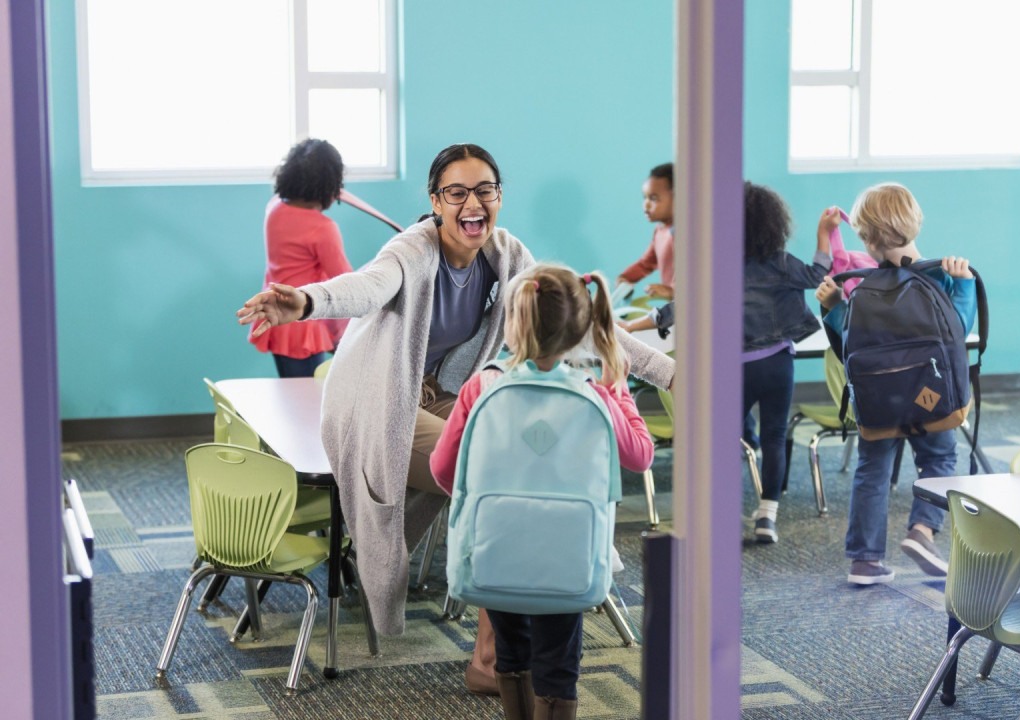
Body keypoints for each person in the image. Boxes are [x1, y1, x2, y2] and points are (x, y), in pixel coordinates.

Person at [235, 143, 675, 646]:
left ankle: (562, 579)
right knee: (499, 468)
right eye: (457, 192)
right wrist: (307, 300)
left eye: (485, 190)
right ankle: (494, 652)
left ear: (500, 196)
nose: (473, 203)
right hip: (374, 400)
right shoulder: (411, 251)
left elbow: (578, 319)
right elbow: (365, 288)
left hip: (432, 392)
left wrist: (672, 376)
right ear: (436, 200)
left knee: (520, 447)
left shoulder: (508, 256)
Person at [429, 264, 653, 720]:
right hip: (568, 555)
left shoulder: (481, 385)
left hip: (497, 548)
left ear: (513, 320)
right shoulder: (595, 391)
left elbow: (442, 471)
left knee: (511, 654)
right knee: (558, 663)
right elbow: (640, 456)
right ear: (580, 325)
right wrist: (618, 387)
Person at [618, 182, 831, 543]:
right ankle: (767, 516)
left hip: (737, 370)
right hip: (779, 364)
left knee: (724, 439)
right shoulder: (781, 263)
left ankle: (714, 514)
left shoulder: (717, 270)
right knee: (775, 436)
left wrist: (630, 326)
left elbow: (676, 310)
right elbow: (817, 274)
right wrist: (824, 234)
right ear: (771, 224)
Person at [813, 182, 975, 586]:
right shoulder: (938, 277)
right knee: (938, 460)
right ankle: (922, 531)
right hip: (932, 398)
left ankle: (865, 560)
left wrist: (833, 308)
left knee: (872, 469)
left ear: (865, 237)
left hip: (880, 403)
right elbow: (957, 332)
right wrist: (965, 285)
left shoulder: (863, 289)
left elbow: (847, 346)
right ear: (915, 222)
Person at [250, 138, 354, 377]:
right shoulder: (322, 229)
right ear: (331, 185)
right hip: (302, 321)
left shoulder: (274, 208)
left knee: (293, 392)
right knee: (307, 396)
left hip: (277, 316)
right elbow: (346, 282)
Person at [614, 162, 675, 301]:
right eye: (645, 197)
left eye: (653, 198)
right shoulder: (660, 231)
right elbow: (646, 264)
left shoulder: (685, 234)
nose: (646, 204)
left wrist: (673, 292)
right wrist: (626, 278)